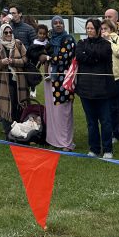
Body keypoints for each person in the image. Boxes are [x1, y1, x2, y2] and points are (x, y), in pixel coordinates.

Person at [76, 18, 115, 158]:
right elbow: (80, 56)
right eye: (87, 28)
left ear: (98, 30)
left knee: (105, 121)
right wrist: (91, 55)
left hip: (103, 89)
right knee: (91, 122)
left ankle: (108, 149)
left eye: (92, 28)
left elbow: (102, 54)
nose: (89, 31)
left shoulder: (106, 44)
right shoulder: (81, 43)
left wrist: (89, 54)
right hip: (85, 89)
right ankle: (94, 148)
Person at [0, 23, 29, 139]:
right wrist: (1, 63)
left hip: (19, 81)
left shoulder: (18, 44)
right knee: (6, 107)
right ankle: (9, 132)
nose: (8, 34)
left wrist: (13, 61)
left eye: (10, 32)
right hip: (4, 82)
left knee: (19, 105)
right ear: (1, 34)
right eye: (6, 33)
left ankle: (20, 131)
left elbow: (25, 59)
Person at [45, 15, 76, 151]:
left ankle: (65, 142)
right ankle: (53, 139)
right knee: (52, 110)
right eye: (55, 23)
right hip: (51, 77)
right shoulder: (51, 40)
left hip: (63, 77)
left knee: (63, 110)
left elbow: (63, 59)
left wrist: (47, 57)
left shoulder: (68, 39)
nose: (58, 25)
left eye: (60, 23)